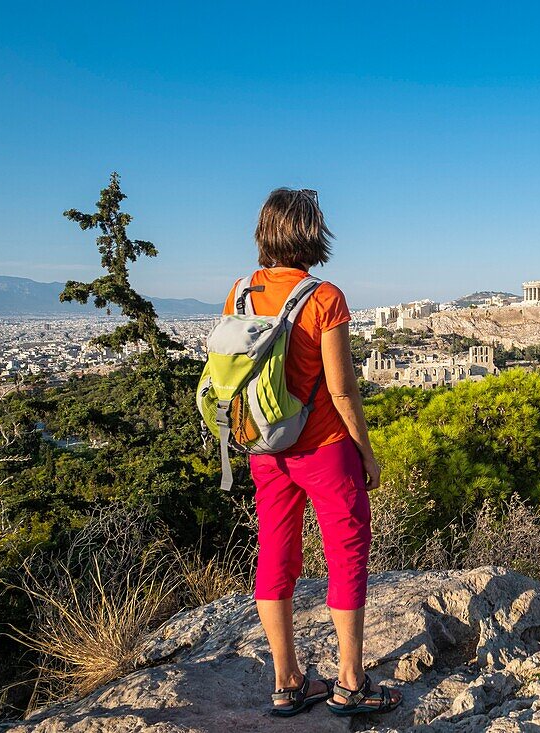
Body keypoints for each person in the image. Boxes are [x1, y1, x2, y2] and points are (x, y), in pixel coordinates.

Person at [225, 188, 403, 715]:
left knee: (276, 554)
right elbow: (343, 387)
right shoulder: (324, 298)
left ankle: (286, 682)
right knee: (346, 555)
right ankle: (350, 682)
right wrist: (366, 451)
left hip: (263, 447)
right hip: (324, 446)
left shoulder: (239, 292)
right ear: (311, 233)